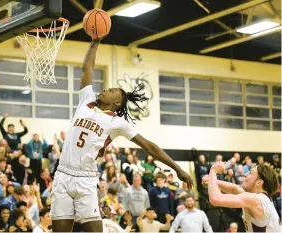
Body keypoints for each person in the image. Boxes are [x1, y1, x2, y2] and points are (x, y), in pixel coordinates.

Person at [51, 39, 193, 232]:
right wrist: (94, 42)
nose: (104, 90)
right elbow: (87, 68)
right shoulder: (86, 100)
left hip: (85, 179)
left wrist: (177, 168)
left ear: (117, 103)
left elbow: (150, 147)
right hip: (62, 174)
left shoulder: (117, 122)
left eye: (110, 91)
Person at [205, 162, 280, 232]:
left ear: (259, 182)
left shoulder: (255, 199)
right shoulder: (261, 198)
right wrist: (211, 181)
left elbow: (215, 199)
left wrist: (213, 170)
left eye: (250, 173)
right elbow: (234, 189)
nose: (245, 174)